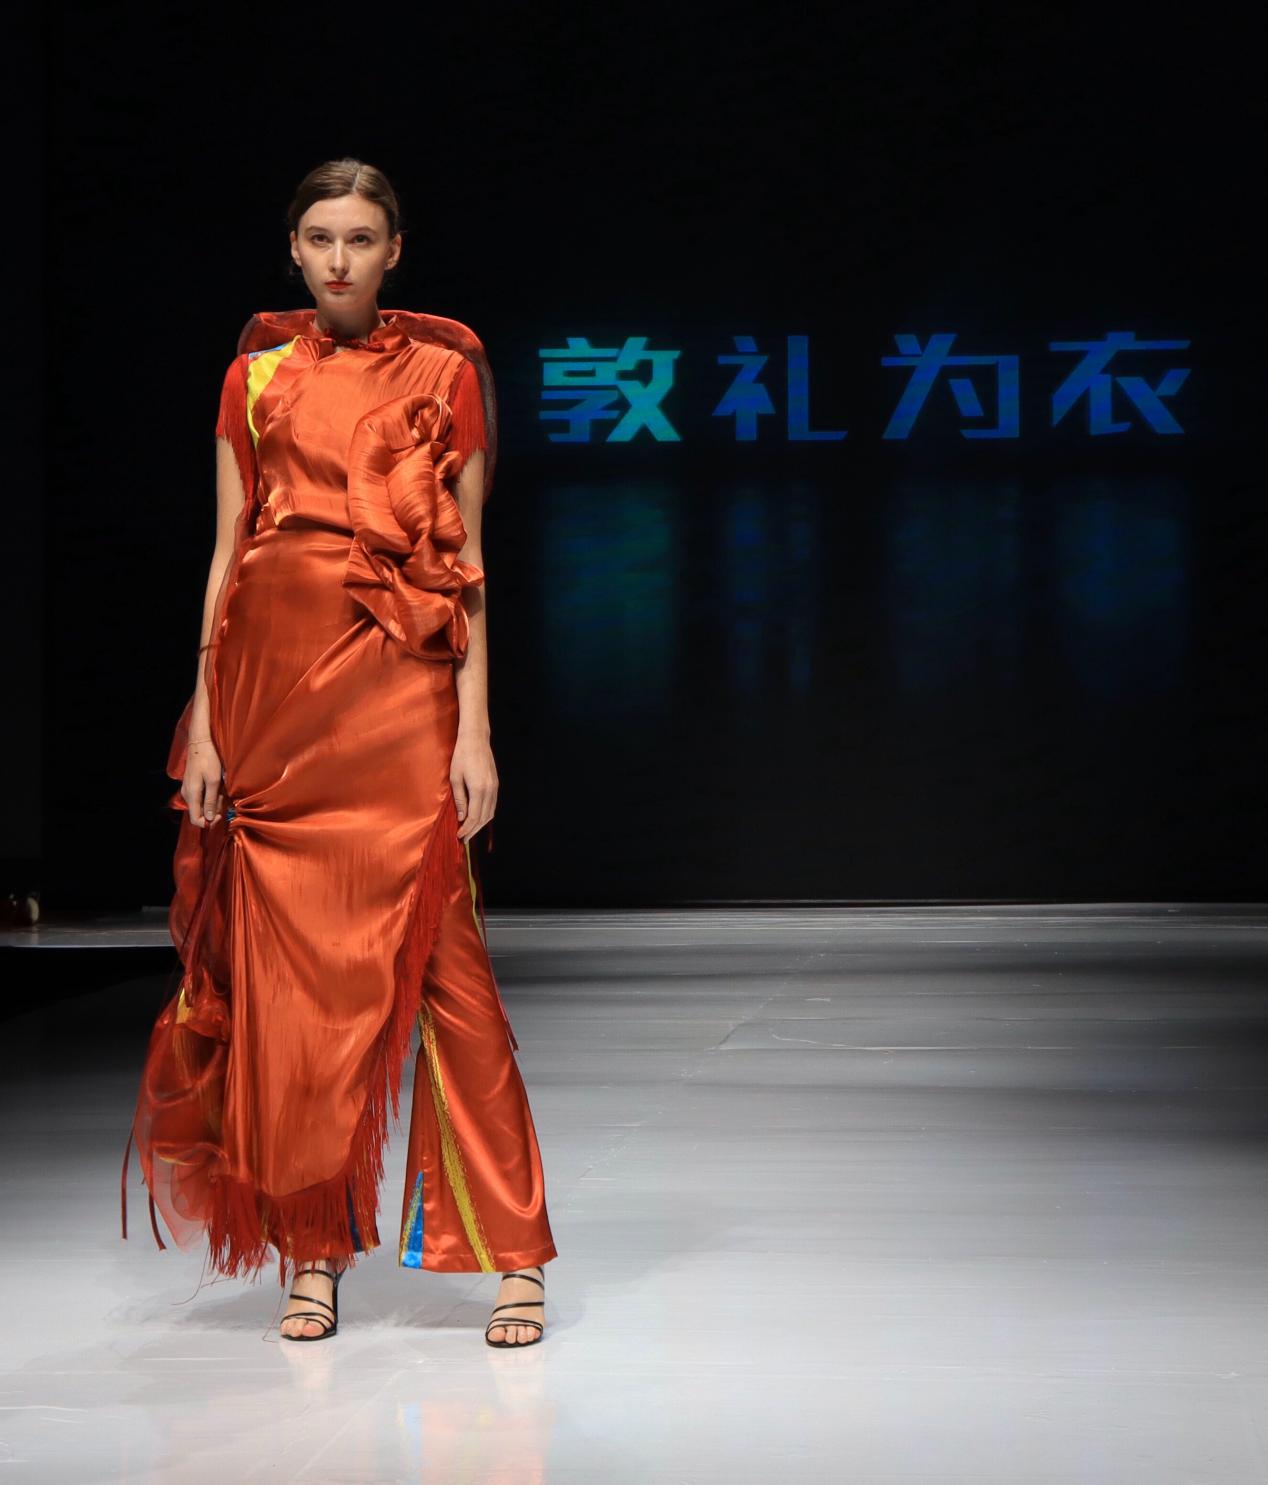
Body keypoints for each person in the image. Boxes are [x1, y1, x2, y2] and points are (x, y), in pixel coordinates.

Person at [121, 158, 558, 1346]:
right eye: (319, 237)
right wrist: (206, 718)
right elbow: (229, 552)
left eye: (360, 238)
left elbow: (464, 564)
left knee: (449, 975)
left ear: (394, 250)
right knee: (291, 993)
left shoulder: (445, 372)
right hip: (271, 692)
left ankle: (512, 1252)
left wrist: (474, 727)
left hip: (398, 689)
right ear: (294, 248)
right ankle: (310, 1256)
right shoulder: (253, 374)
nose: (338, 259)